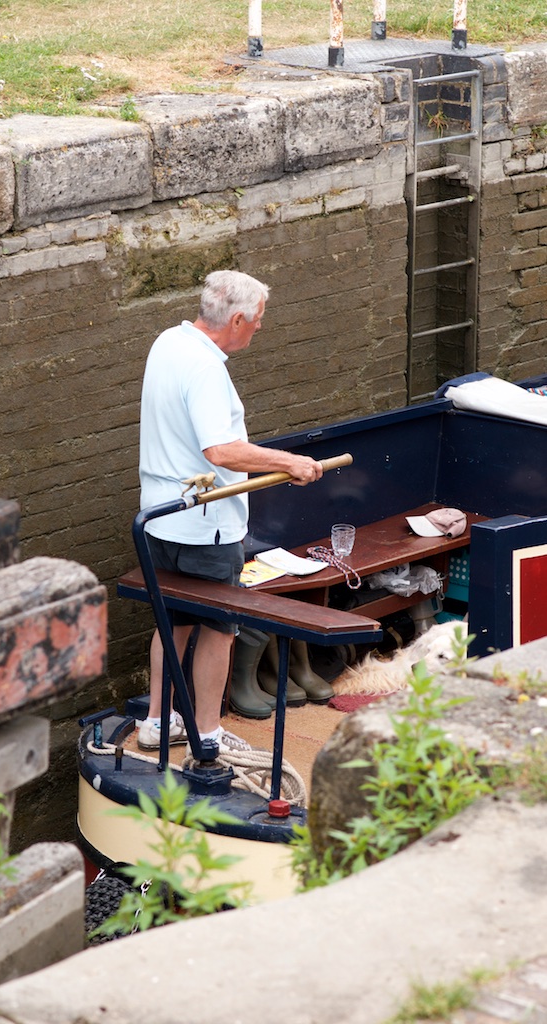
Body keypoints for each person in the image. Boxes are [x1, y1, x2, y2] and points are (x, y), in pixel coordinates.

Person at [137, 269, 324, 754]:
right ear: (237, 318)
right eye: (258, 319)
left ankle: (157, 724)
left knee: (171, 623)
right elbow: (220, 451)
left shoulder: (167, 342)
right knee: (219, 632)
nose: (260, 326)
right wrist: (290, 462)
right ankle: (209, 733)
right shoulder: (206, 369)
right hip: (206, 529)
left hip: (158, 519)